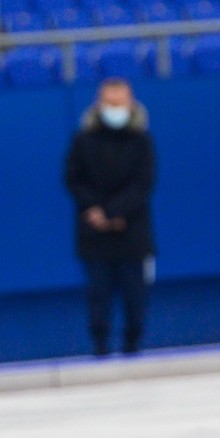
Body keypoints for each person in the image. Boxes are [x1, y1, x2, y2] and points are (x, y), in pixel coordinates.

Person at [64, 77, 156, 356]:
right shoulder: (82, 141)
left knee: (134, 296)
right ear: (99, 104)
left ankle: (132, 345)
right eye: (110, 102)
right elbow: (74, 179)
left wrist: (116, 212)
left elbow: (143, 184)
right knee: (98, 295)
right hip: (94, 233)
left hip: (133, 232)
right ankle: (100, 346)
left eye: (120, 102)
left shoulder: (142, 141)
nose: (115, 108)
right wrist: (97, 212)